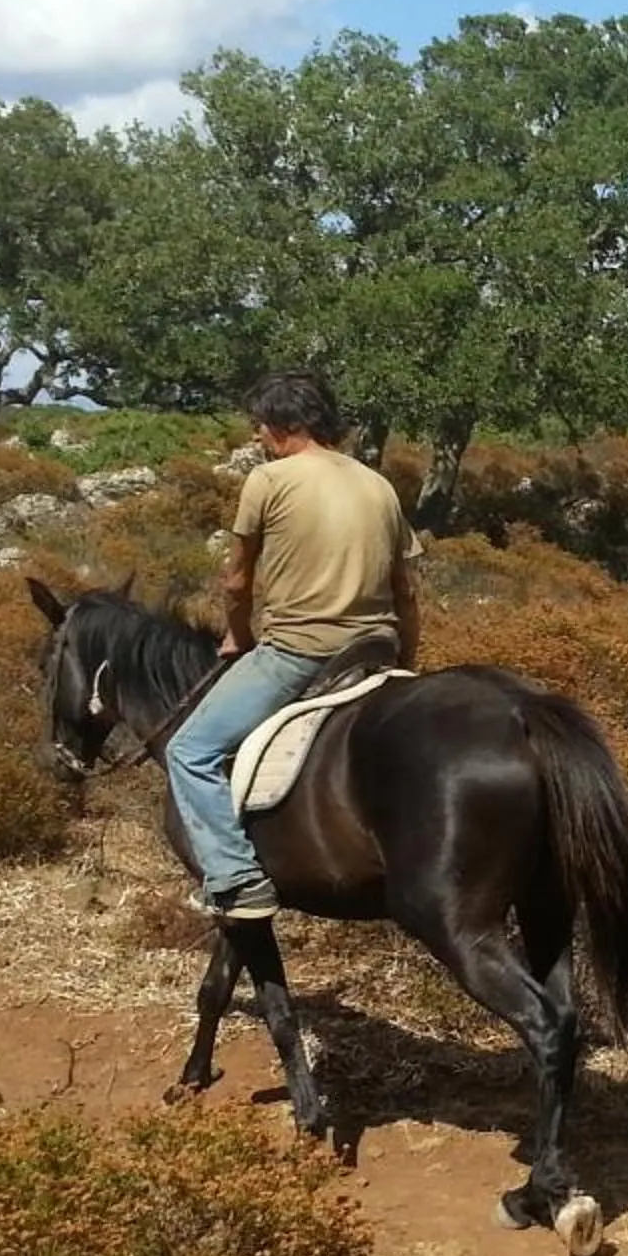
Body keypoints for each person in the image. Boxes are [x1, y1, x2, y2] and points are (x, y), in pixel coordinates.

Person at [165, 371, 420, 920]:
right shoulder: (379, 485)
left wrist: (239, 635)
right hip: (375, 651)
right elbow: (407, 592)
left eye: (260, 426)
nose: (257, 437)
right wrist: (406, 661)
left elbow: (236, 582)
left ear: (283, 427)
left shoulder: (269, 480)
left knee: (189, 752)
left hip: (300, 652)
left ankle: (234, 878)